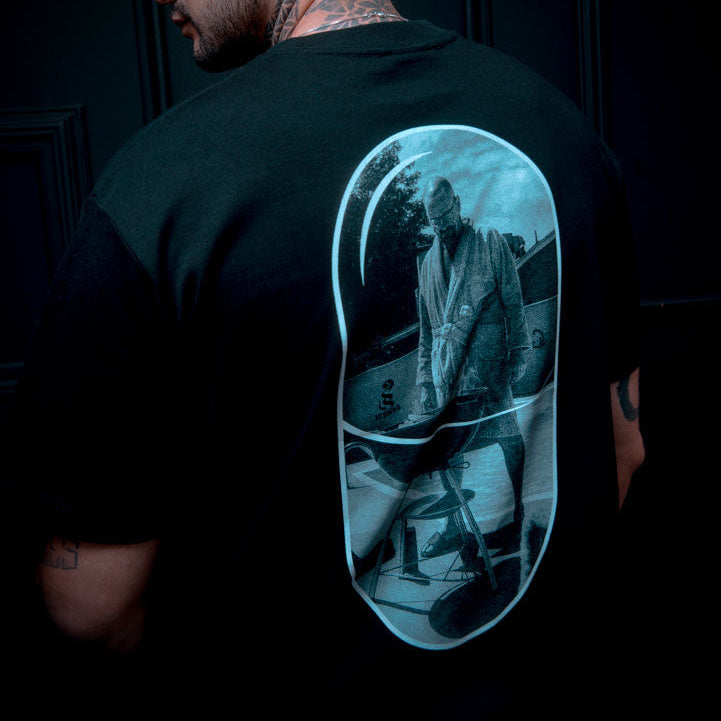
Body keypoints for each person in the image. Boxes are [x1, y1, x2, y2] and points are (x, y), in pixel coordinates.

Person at [3, 0, 645, 713]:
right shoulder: (561, 130)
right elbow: (620, 454)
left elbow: (90, 606)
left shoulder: (159, 184)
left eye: (445, 217)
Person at [415, 176, 530, 558]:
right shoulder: (426, 266)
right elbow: (426, 332)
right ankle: (453, 528)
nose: (441, 225)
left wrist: (519, 350)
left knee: (508, 436)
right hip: (447, 372)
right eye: (434, 219)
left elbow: (513, 299)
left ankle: (521, 516)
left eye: (445, 214)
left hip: (488, 363)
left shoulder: (489, 241)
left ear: (458, 204)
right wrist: (425, 381)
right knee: (450, 449)